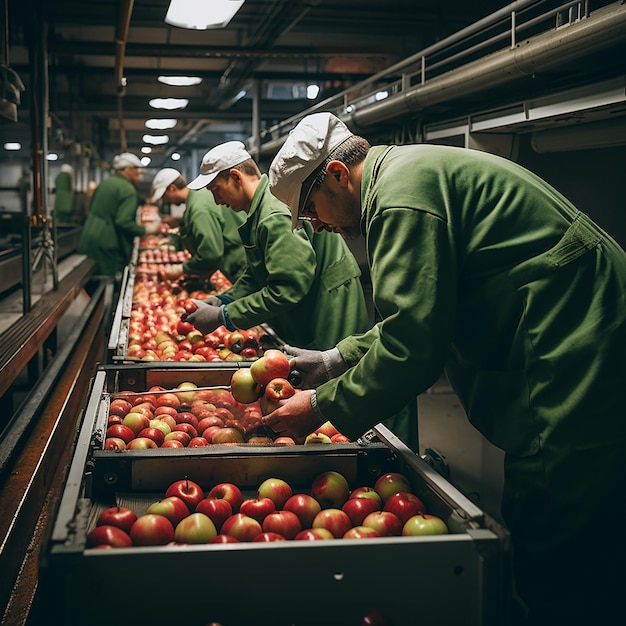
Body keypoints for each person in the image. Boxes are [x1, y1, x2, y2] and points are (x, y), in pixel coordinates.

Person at [265, 112, 626, 625]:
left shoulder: (399, 200)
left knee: (560, 510)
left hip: (579, 330)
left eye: (311, 210)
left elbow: (413, 343)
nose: (317, 226)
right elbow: (421, 309)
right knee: (550, 502)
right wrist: (333, 359)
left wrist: (323, 406)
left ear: (339, 176)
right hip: (566, 319)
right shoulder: (403, 178)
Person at [184, 140, 369, 352]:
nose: (217, 201)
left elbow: (287, 287)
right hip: (311, 301)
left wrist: (225, 315)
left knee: (331, 369)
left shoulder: (272, 214)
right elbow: (257, 272)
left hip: (329, 303)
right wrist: (223, 299)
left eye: (217, 190)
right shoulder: (260, 208)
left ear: (236, 177)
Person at [149, 168, 247, 283]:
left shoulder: (199, 209)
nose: (166, 201)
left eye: (164, 197)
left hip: (240, 265)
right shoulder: (197, 196)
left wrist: (182, 269)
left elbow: (211, 254)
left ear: (172, 188)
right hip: (239, 261)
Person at [78, 153, 160, 277]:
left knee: (91, 279)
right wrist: (145, 229)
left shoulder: (106, 183)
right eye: (136, 169)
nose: (138, 173)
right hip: (108, 241)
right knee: (109, 281)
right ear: (127, 169)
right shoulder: (127, 189)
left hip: (89, 235)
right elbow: (123, 221)